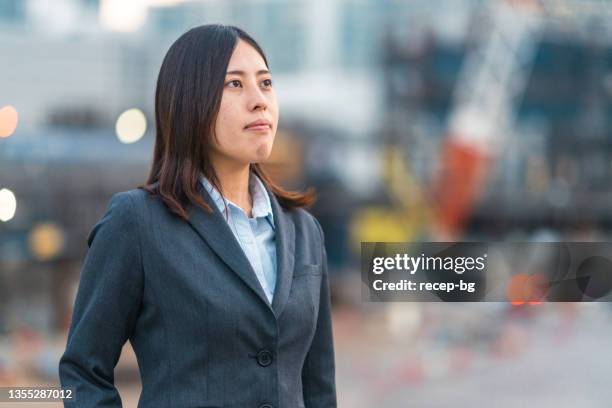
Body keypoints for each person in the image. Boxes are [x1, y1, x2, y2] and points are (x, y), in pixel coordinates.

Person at [58, 24, 336, 408]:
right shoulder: (137, 223)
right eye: (235, 84)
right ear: (190, 101)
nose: (259, 101)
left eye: (266, 83)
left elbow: (318, 386)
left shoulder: (304, 230)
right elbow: (82, 374)